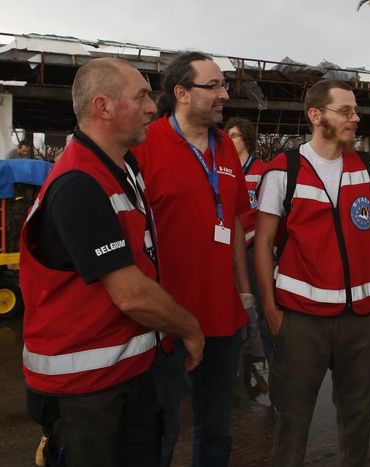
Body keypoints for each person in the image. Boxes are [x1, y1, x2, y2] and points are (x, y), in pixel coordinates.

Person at [20, 57, 204, 467]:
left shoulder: (123, 166)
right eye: (140, 96)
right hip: (85, 394)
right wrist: (189, 328)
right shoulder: (78, 185)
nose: (152, 107)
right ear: (102, 106)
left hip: (123, 379)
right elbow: (131, 295)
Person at [255, 79, 370, 466]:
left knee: (358, 418)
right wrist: (269, 306)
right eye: (345, 111)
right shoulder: (285, 170)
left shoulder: (365, 166)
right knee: (293, 420)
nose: (355, 118)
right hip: (301, 320)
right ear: (316, 116)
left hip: (361, 320)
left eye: (355, 110)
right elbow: (263, 243)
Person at [133, 52, 251, 467]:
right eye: (214, 86)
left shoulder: (225, 148)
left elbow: (234, 222)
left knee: (216, 430)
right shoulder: (145, 146)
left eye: (224, 85)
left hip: (223, 319)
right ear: (181, 93)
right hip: (164, 321)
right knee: (161, 433)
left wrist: (246, 292)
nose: (225, 94)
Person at [225, 116, 272, 359]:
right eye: (228, 136)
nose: (230, 140)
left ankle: (265, 347)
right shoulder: (224, 170)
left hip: (253, 245)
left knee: (258, 298)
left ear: (246, 139)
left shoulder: (262, 170)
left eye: (234, 136)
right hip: (229, 246)